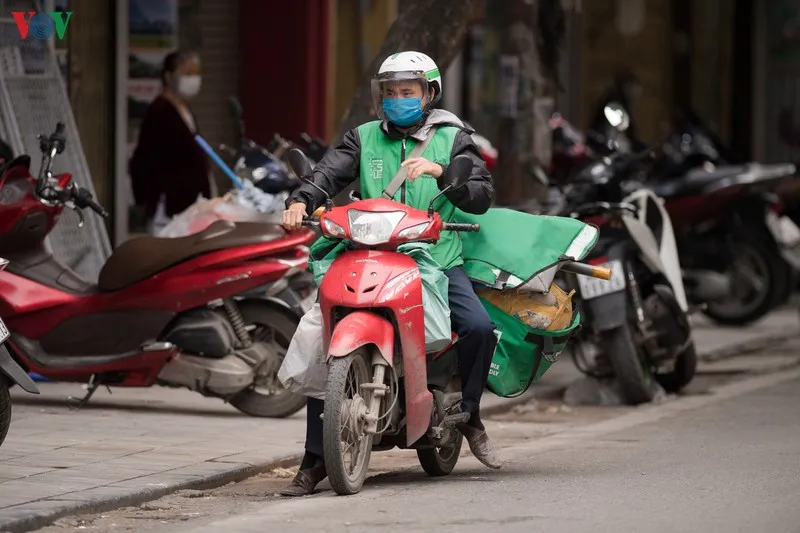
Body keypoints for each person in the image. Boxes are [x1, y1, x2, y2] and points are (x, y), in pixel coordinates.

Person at [280, 51, 501, 497]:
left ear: (428, 93)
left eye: (408, 92)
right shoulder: (362, 138)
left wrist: (441, 173)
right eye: (391, 92)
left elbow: (480, 194)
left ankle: (471, 416)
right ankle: (314, 460)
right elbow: (327, 173)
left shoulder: (453, 138)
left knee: (478, 327)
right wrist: (301, 199)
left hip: (435, 255)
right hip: (366, 250)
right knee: (324, 335)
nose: (398, 100)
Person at [129, 50, 215, 235]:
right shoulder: (160, 112)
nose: (193, 79)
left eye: (195, 73)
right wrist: (148, 199)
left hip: (189, 206)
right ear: (168, 76)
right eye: (187, 73)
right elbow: (143, 159)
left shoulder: (185, 109)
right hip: (168, 208)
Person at [587, 68, 648, 153]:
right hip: (603, 149)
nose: (637, 89)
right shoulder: (613, 102)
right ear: (626, 85)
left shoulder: (622, 102)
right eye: (633, 85)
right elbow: (622, 128)